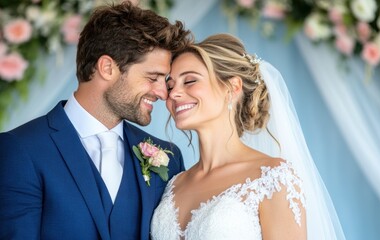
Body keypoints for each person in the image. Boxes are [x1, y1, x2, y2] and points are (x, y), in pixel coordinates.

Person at [0, 2, 193, 239]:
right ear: (107, 68)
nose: (164, 93)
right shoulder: (20, 150)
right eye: (152, 78)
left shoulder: (169, 157)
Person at [150, 33, 345, 239]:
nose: (173, 94)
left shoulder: (273, 178)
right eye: (170, 86)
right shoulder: (174, 183)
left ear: (232, 88)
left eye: (189, 81)